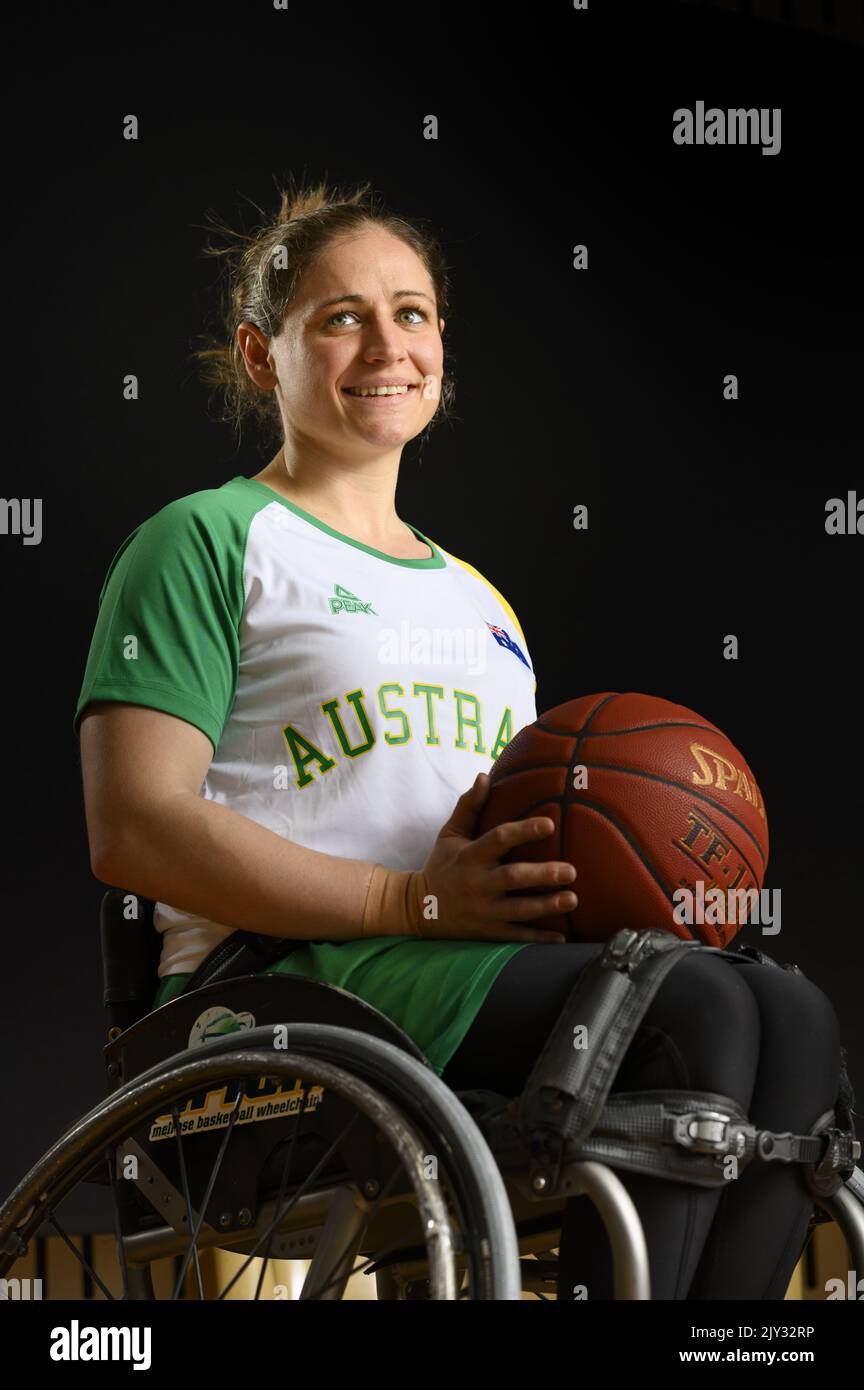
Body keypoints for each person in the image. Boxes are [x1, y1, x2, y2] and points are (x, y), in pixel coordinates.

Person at [74, 178, 843, 1300]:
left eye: (413, 312)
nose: (387, 342)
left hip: (461, 976)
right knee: (699, 1012)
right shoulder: (208, 540)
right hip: (283, 996)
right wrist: (412, 903)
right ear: (259, 354)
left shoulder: (485, 605)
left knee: (791, 1013)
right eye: (340, 317)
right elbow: (135, 827)